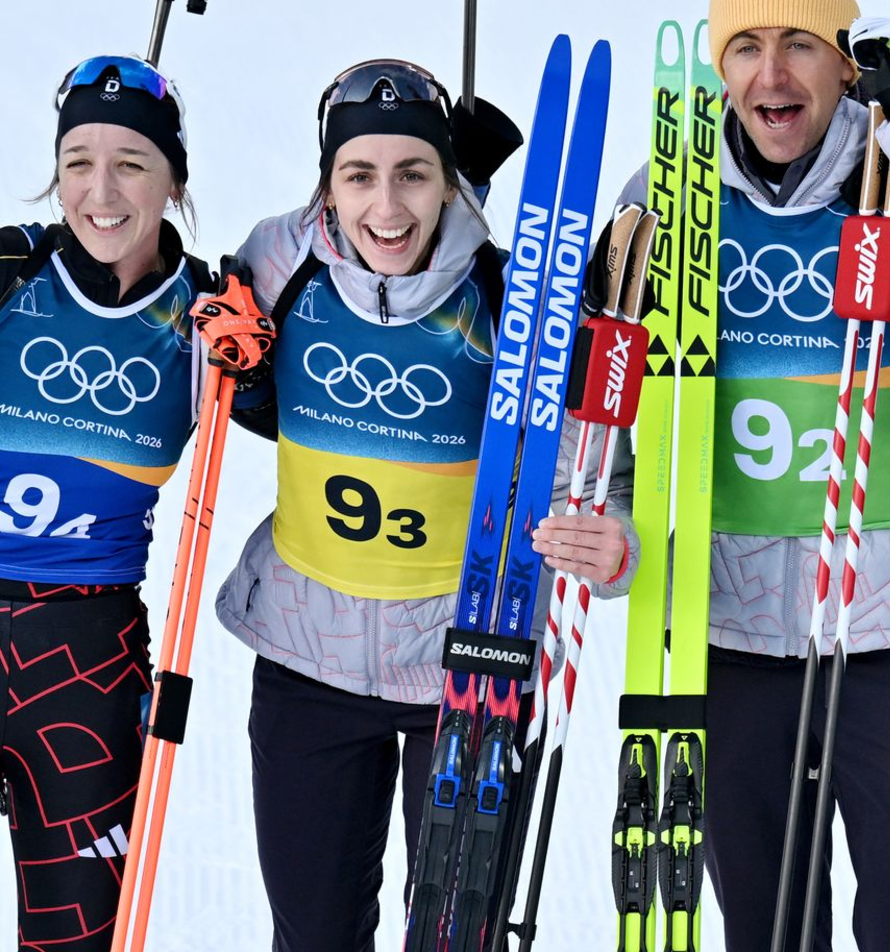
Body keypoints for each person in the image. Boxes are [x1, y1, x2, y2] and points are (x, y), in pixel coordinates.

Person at [612, 0, 890, 952]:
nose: (772, 73)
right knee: (768, 930)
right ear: (718, 65)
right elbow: (626, 409)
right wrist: (617, 523)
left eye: (801, 43)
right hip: (732, 635)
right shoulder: (665, 197)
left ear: (846, 61)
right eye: (747, 44)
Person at [214, 58, 632, 952]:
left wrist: (613, 542)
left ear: (452, 181)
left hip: (466, 662)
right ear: (326, 180)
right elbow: (240, 391)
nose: (387, 208)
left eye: (414, 174)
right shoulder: (278, 263)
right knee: (312, 934)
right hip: (305, 661)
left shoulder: (510, 298)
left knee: (454, 939)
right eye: (359, 175)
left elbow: (592, 479)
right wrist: (230, 366)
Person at [0, 56, 213, 951]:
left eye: (131, 161)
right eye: (78, 160)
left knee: (76, 936)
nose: (100, 189)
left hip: (83, 658)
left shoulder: (206, 310)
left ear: (174, 180)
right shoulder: (13, 271)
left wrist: (459, 176)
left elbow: (371, 310)